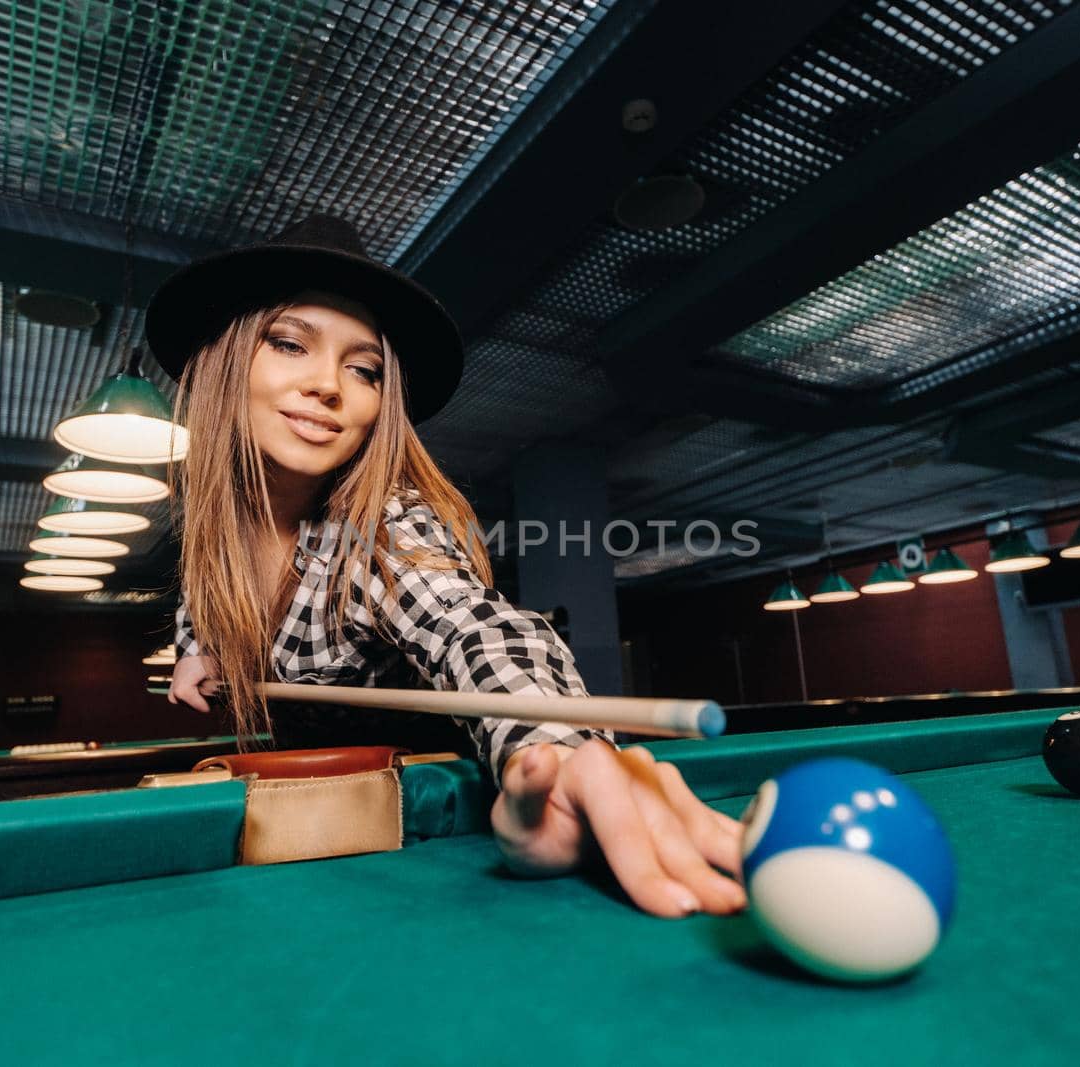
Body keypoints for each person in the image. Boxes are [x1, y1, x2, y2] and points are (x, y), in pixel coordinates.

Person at [146, 215, 743, 919]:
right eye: (288, 343)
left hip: (423, 853)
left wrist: (553, 754)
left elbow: (475, 629)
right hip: (304, 858)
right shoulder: (211, 531)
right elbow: (205, 595)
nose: (329, 386)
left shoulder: (382, 528)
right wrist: (201, 649)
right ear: (223, 361)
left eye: (363, 368)